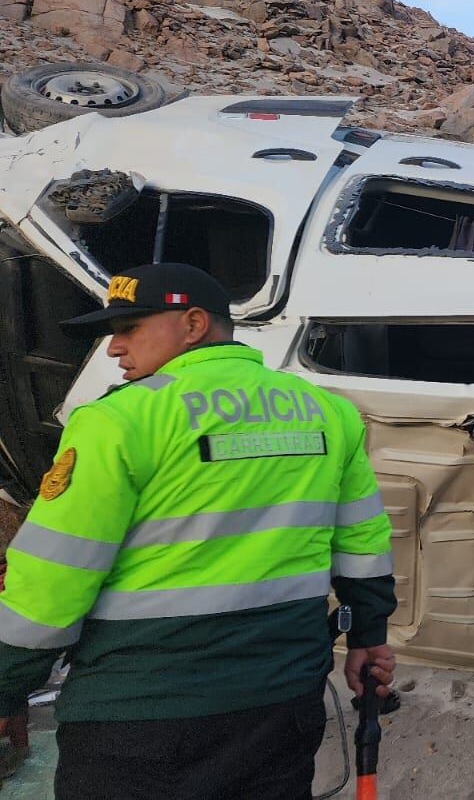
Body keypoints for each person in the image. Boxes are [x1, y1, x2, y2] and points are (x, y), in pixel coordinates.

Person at [0, 263, 396, 799]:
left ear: (192, 324)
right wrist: (369, 636)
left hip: (140, 716)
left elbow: (50, 584)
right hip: (282, 703)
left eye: (130, 327)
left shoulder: (120, 421)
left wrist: (6, 687)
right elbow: (363, 545)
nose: (115, 348)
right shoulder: (329, 413)